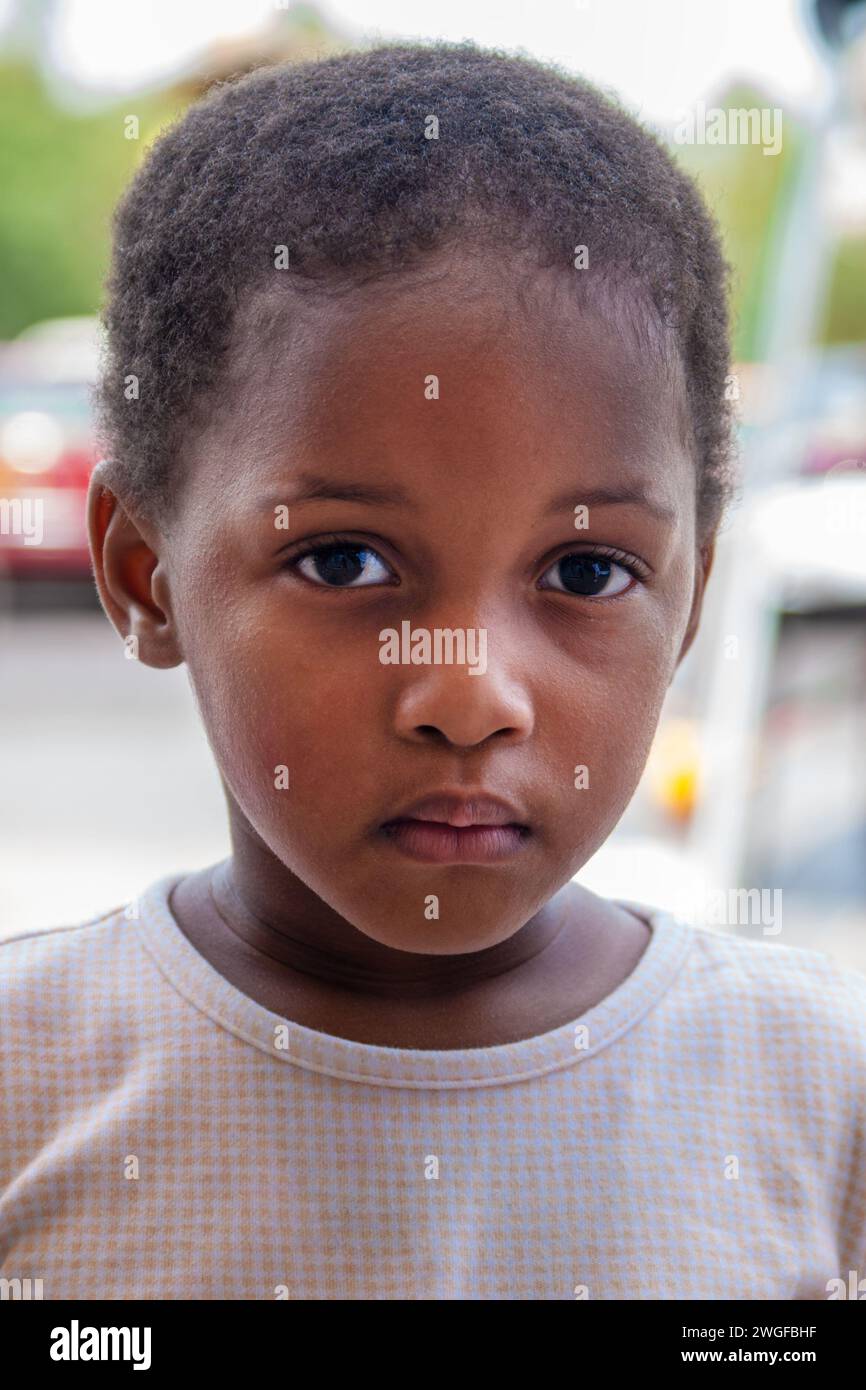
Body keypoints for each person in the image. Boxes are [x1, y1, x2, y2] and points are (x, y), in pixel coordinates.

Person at [2, 40, 864, 1301]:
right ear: (147, 576)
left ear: (689, 601)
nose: (469, 694)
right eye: (345, 562)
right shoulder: (30, 1077)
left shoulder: (812, 1088)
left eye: (584, 574)